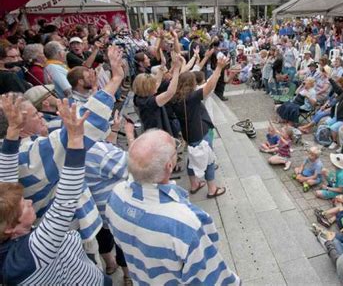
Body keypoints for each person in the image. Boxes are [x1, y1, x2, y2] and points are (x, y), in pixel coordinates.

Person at [0, 95, 110, 285]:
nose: (28, 201)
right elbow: (64, 202)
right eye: (24, 207)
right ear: (10, 228)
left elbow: (6, 184)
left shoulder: (9, 238)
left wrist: (13, 131)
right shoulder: (32, 254)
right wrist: (75, 140)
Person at [106, 130, 240, 285]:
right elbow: (211, 275)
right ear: (169, 166)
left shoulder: (116, 195)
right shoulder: (185, 223)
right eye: (175, 148)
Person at [171, 56, 228, 198]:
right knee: (209, 160)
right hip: (200, 133)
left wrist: (180, 65)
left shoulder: (174, 97)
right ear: (192, 84)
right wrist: (219, 68)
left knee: (191, 157)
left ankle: (194, 184)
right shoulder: (192, 98)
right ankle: (212, 189)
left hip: (188, 135)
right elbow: (209, 86)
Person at [132, 54, 182, 133]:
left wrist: (162, 65)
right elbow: (170, 92)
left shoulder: (140, 97)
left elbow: (157, 82)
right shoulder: (148, 102)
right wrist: (176, 70)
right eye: (153, 85)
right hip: (155, 133)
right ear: (148, 88)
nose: (156, 86)